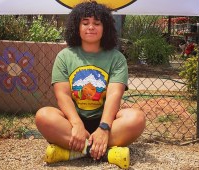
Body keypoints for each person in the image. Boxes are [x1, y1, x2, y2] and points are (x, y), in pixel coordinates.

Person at [35, 1, 146, 169]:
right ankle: (105, 153)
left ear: (106, 27)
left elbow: (114, 95)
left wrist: (104, 127)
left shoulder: (116, 58)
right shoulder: (64, 56)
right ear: (76, 27)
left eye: (97, 23)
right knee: (43, 116)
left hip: (107, 122)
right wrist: (77, 124)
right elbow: (62, 95)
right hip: (71, 123)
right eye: (85, 23)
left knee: (136, 118)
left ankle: (73, 151)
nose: (91, 27)